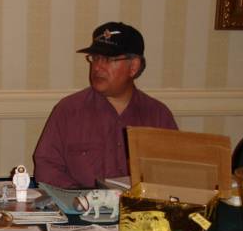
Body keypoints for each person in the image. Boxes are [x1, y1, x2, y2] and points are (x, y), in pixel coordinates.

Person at [33, 22, 177, 189]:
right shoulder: (69, 110)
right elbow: (47, 168)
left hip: (141, 213)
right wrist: (85, 199)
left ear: (133, 67)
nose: (97, 67)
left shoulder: (158, 116)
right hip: (81, 211)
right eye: (95, 58)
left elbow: (173, 175)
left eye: (108, 59)